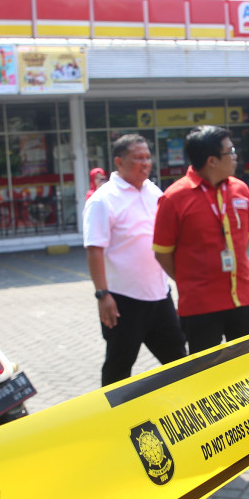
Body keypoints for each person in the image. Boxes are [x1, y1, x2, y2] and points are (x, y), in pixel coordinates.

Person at [84, 135, 186, 385]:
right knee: (118, 368)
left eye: (148, 157)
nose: (145, 163)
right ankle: (110, 421)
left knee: (179, 362)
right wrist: (102, 294)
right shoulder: (103, 199)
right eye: (138, 158)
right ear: (119, 162)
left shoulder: (154, 192)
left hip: (159, 295)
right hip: (122, 301)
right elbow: (94, 249)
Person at [153, 125, 249, 354]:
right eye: (229, 151)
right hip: (200, 307)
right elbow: (162, 252)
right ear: (212, 161)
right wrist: (189, 279)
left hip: (243, 299)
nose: (235, 156)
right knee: (206, 378)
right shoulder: (174, 198)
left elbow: (246, 239)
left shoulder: (241, 190)